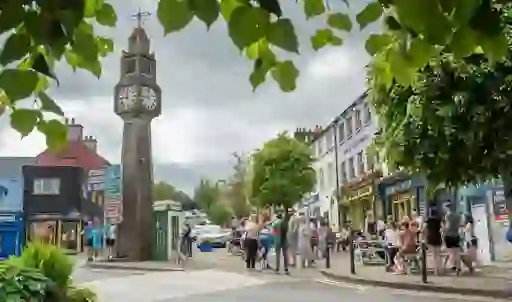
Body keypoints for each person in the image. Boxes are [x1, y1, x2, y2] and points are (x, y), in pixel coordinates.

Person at [424, 208, 443, 275]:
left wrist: (425, 238)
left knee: (433, 255)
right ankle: (440, 269)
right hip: (438, 237)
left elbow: (424, 229)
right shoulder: (438, 220)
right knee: (438, 254)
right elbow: (442, 229)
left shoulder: (428, 220)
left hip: (430, 238)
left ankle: (436, 270)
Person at [444, 208, 462, 274]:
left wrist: (443, 229)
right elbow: (460, 225)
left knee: (451, 252)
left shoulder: (448, 216)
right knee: (457, 252)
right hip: (456, 235)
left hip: (449, 235)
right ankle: (458, 266)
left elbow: (448, 226)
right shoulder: (458, 216)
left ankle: (453, 265)